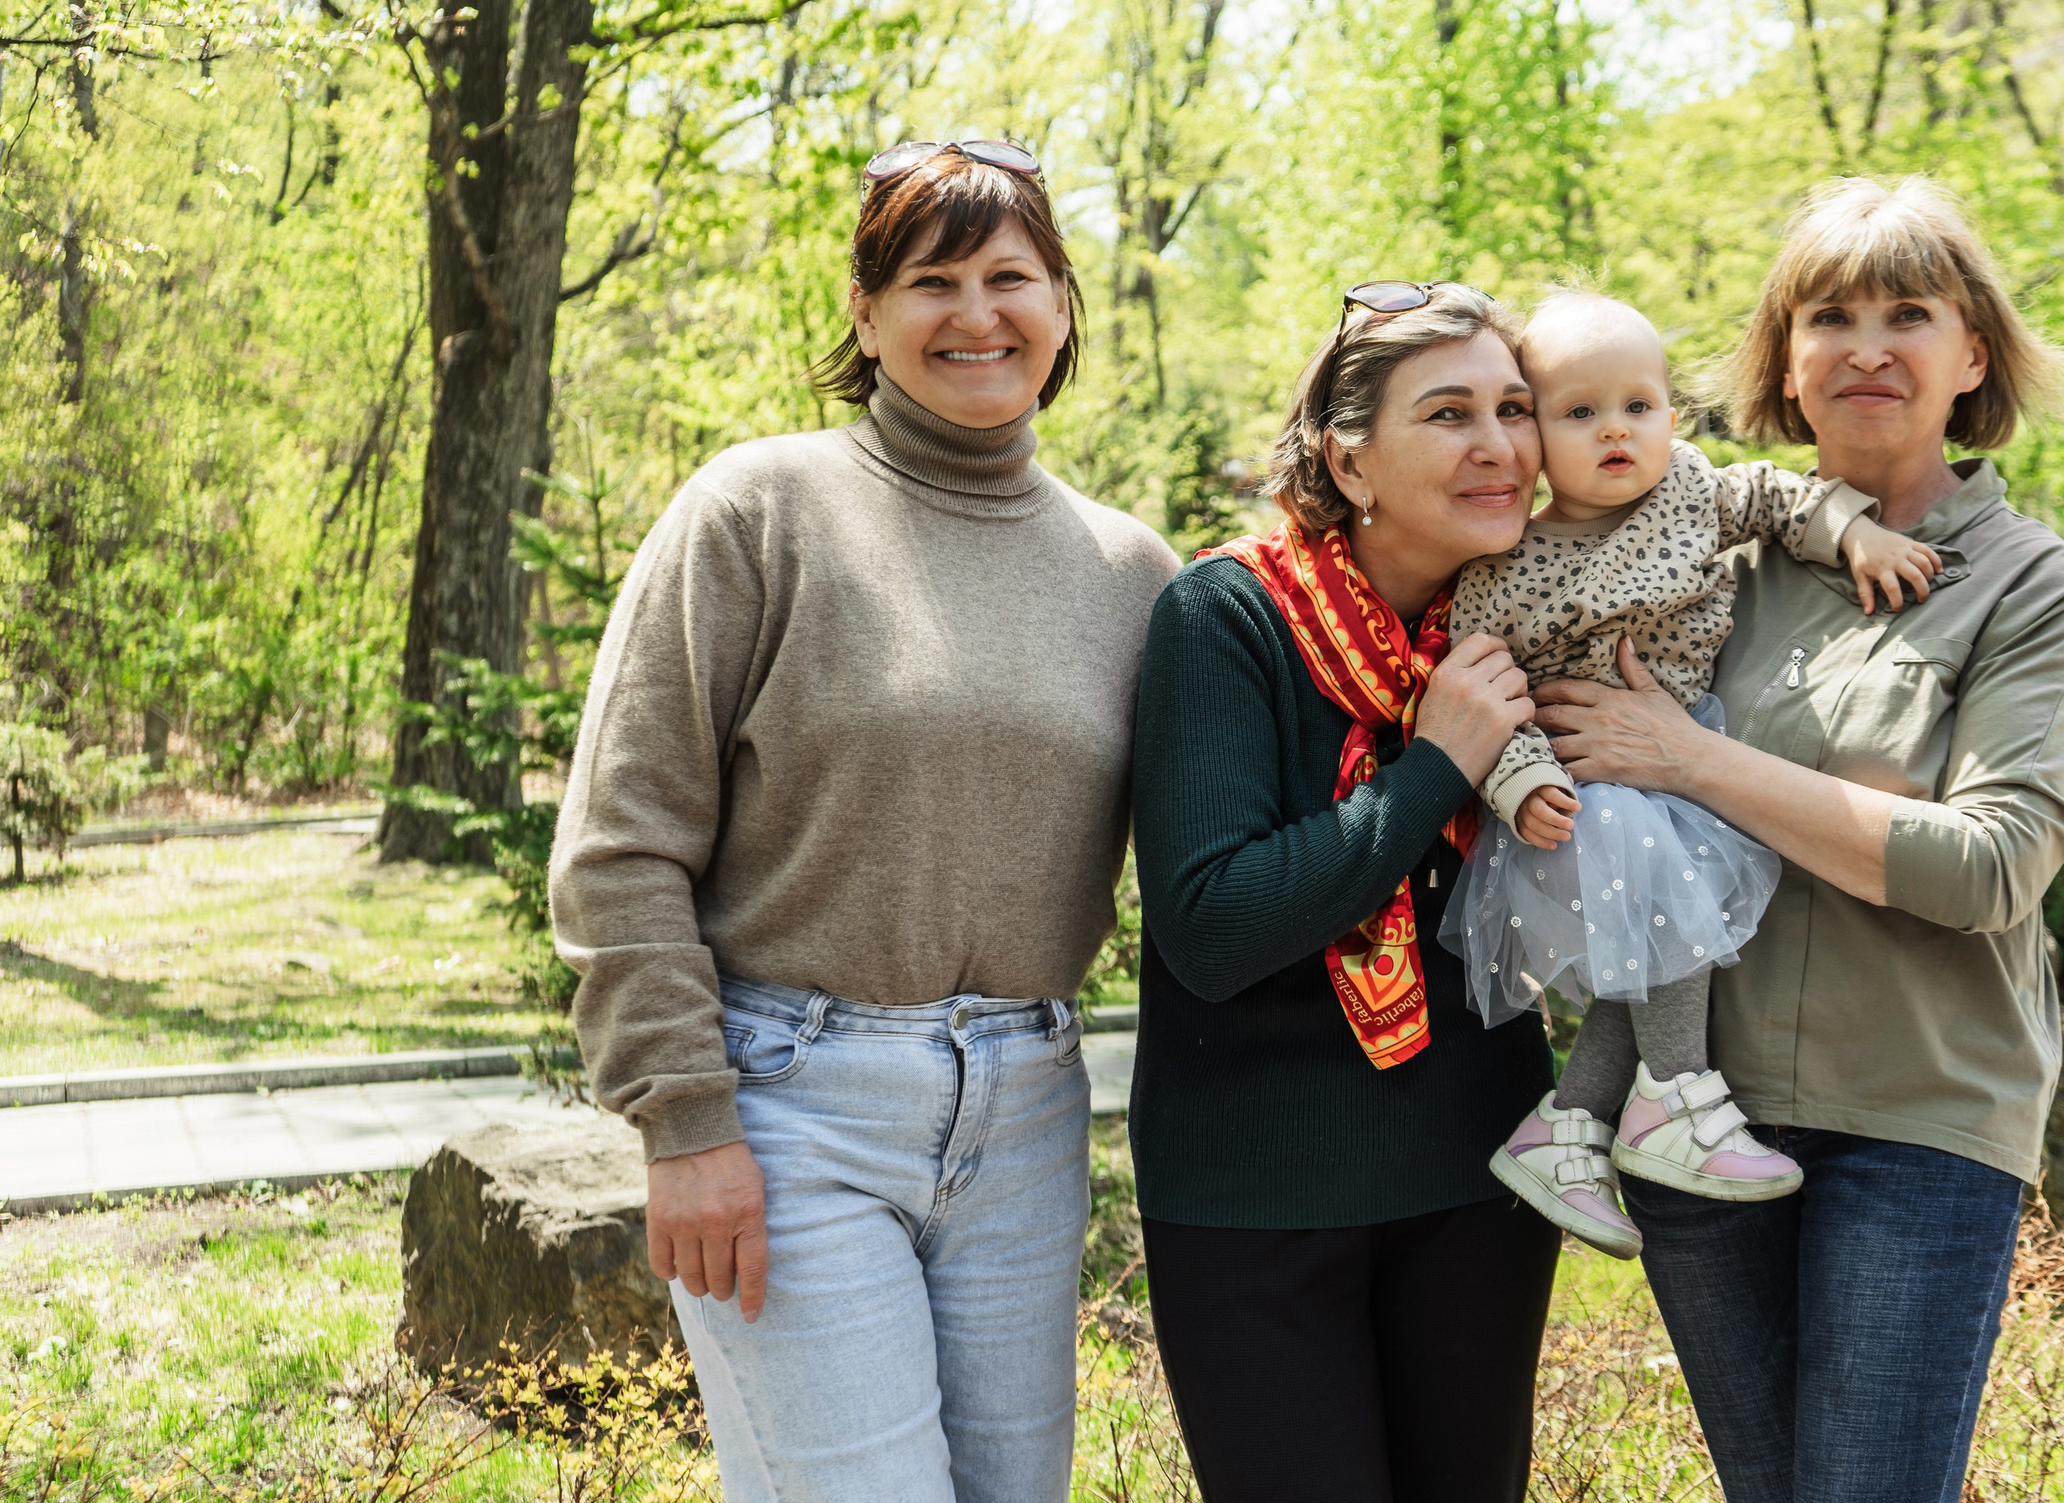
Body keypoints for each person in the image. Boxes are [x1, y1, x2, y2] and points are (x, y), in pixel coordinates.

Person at [549, 140, 1179, 1503]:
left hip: (1029, 1112)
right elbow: (621, 841)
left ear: (1062, 302)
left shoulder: (1132, 572)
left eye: (1010, 277)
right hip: (788, 1108)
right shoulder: (757, 509)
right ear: (867, 312)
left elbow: (1219, 855)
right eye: (930, 281)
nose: (976, 313)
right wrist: (684, 1119)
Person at [1530, 178, 2064, 1503]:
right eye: (1829, 317)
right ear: (1785, 363)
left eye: (1909, 314)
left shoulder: (2031, 582)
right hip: (1701, 1120)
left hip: (1915, 1121)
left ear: (1973, 356)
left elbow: (1989, 866)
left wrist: (1690, 757)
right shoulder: (1698, 558)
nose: (1867, 347)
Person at [1128, 281, 1561, 1503]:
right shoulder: (1228, 616)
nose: (1500, 444)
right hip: (1257, 1196)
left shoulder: (1523, 617)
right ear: (1348, 459)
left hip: (1481, 1171)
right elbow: (1213, 923)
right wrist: (1436, 766)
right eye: (1449, 413)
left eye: (1515, 408)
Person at [1443, 291, 1943, 1261]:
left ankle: (1566, 1128)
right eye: (1579, 412)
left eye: (1638, 406)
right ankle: (1675, 1095)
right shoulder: (1503, 564)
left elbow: (1783, 499)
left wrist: (1856, 534)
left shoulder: (1693, 489)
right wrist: (1519, 781)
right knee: (1667, 932)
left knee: (1653, 956)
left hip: (1682, 761)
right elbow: (1483, 691)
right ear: (1532, 435)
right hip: (1582, 788)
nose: (1615, 430)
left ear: (1673, 416)